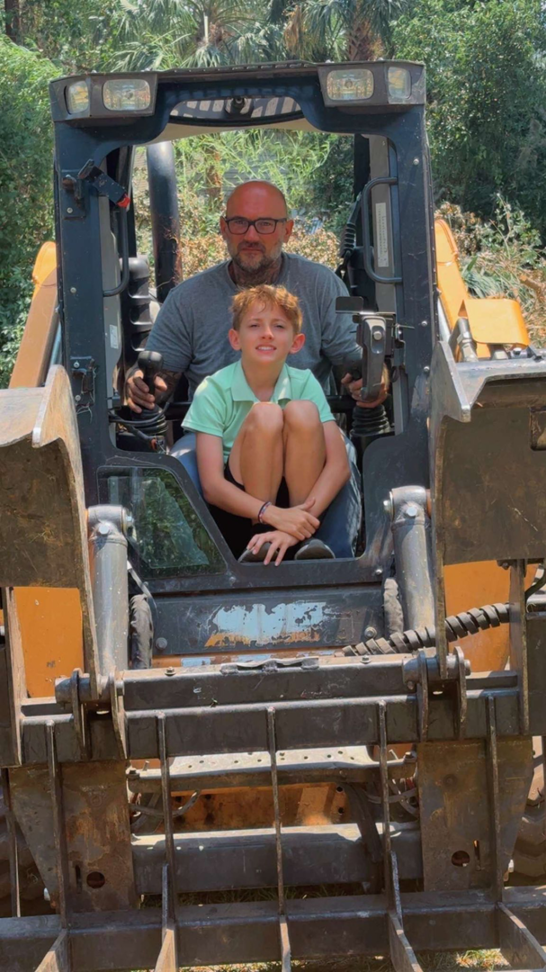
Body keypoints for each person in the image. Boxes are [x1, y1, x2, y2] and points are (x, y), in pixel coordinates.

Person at [127, 180, 386, 557]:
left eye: (265, 224)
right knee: (181, 464)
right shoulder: (189, 301)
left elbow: (356, 368)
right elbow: (160, 380)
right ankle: (197, 570)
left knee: (340, 453)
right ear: (223, 228)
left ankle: (329, 556)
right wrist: (143, 386)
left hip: (303, 438)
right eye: (240, 223)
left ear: (287, 229)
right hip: (220, 436)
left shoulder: (320, 286)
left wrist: (371, 382)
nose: (251, 235)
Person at [183, 285, 350, 565]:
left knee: (302, 411)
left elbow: (339, 465)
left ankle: (302, 541)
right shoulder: (213, 389)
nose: (267, 333)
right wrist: (270, 515)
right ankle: (261, 536)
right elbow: (211, 485)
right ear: (235, 339)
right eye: (254, 325)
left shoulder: (305, 383)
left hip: (299, 519)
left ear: (296, 343)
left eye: (279, 326)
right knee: (266, 415)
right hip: (243, 517)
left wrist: (296, 527)